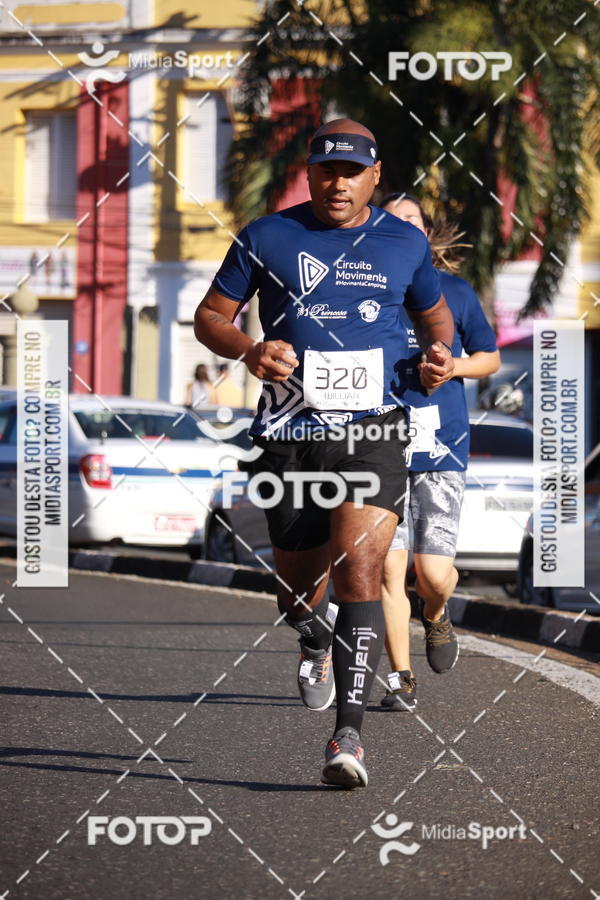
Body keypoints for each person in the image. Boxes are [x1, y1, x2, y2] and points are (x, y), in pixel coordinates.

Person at [194, 119, 456, 789]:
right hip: (290, 438)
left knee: (361, 571)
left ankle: (348, 735)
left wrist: (436, 362)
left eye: (352, 172)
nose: (338, 182)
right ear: (308, 174)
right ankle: (312, 635)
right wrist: (249, 350)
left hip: (374, 430)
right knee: (296, 596)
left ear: (375, 178)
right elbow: (210, 317)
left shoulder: (404, 242)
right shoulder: (266, 236)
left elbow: (436, 321)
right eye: (326, 170)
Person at [378, 194, 500, 711]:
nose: (404, 227)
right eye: (393, 221)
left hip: (441, 443)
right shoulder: (371, 293)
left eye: (413, 221)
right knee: (388, 569)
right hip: (379, 442)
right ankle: (402, 679)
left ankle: (434, 612)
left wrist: (453, 369)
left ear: (425, 235)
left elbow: (489, 358)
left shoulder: (455, 292)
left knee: (431, 574)